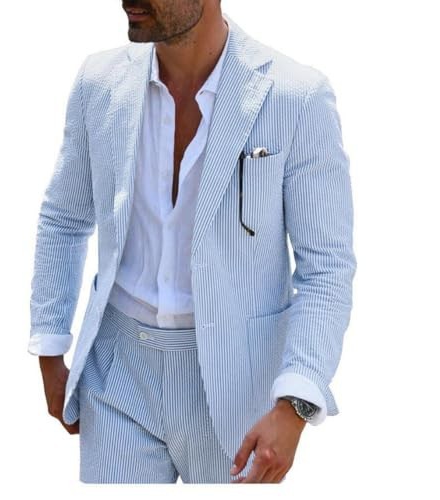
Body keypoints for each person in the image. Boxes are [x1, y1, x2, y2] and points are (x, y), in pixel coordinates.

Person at [28, 0, 357, 484]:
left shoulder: (296, 97)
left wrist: (295, 404)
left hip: (239, 385)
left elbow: (326, 268)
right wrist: (50, 348)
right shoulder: (99, 82)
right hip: (116, 375)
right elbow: (64, 216)